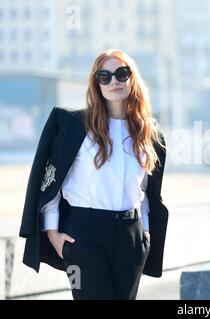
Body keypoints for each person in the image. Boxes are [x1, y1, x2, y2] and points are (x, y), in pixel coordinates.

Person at [19, 49, 169, 300]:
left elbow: (146, 191)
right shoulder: (75, 126)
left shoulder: (148, 133)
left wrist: (146, 231)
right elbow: (52, 182)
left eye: (122, 74)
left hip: (131, 236)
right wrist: (53, 233)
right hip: (82, 236)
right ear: (96, 83)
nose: (114, 82)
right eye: (105, 76)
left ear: (133, 78)